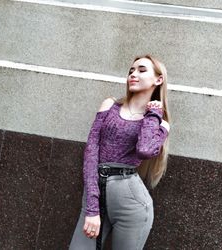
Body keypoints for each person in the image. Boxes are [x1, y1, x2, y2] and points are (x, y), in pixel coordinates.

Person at [69, 54, 171, 250]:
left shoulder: (160, 122)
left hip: (131, 203)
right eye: (131, 71)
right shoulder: (110, 106)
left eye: (142, 70)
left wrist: (154, 114)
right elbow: (91, 152)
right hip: (95, 194)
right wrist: (92, 208)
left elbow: (144, 150)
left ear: (158, 80)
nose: (133, 74)